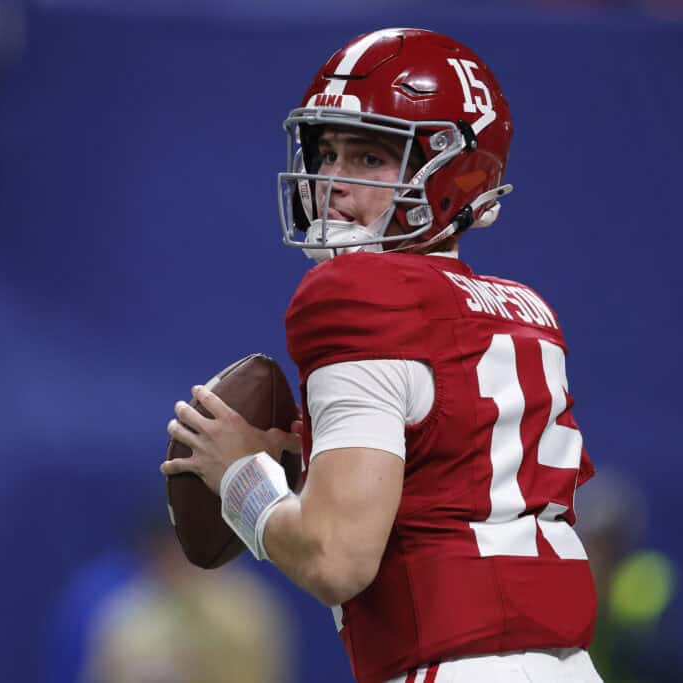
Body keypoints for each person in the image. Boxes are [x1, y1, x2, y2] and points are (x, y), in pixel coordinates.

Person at [161, 28, 601, 683]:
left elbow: (336, 558)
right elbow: (444, 490)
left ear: (453, 172)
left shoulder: (358, 293)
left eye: (368, 158)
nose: (331, 181)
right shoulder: (524, 310)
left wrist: (241, 480)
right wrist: (306, 471)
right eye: (327, 150)